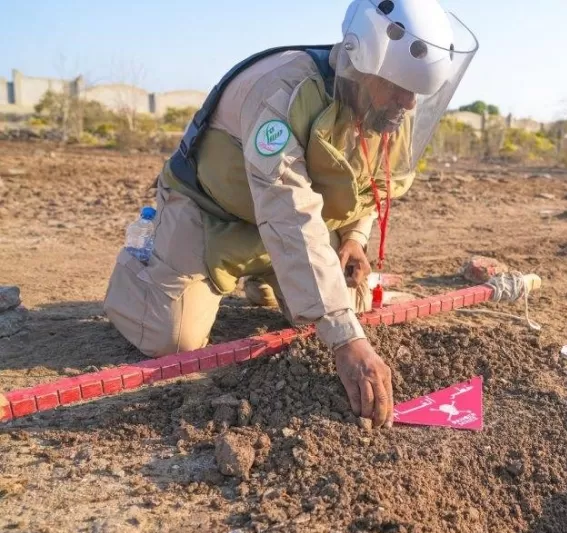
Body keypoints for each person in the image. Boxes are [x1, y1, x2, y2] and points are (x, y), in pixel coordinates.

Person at [102, 0, 478, 429]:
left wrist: (354, 237)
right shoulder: (282, 92)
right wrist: (345, 339)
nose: (408, 103)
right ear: (361, 60)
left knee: (351, 303)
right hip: (213, 212)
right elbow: (288, 210)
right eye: (397, 87)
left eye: (417, 91)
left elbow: (371, 184)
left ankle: (267, 271)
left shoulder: (392, 109)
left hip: (287, 225)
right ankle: (142, 269)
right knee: (173, 340)